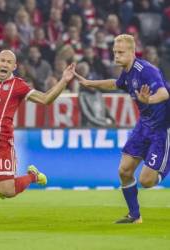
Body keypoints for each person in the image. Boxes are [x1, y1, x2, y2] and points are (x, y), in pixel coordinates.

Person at [0, 50, 75, 200]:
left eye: (9, 62)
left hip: (1, 145)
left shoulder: (18, 86)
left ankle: (32, 176)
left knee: (8, 191)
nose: (5, 64)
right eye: (2, 60)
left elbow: (45, 99)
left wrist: (64, 80)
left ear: (14, 67)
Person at [73, 34, 170, 224]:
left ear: (132, 52)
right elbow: (116, 84)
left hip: (162, 128)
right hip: (144, 125)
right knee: (124, 171)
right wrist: (90, 83)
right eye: (114, 52)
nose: (116, 56)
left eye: (120, 52)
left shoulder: (146, 70)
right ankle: (135, 216)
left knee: (147, 181)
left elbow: (163, 93)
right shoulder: (127, 72)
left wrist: (147, 100)